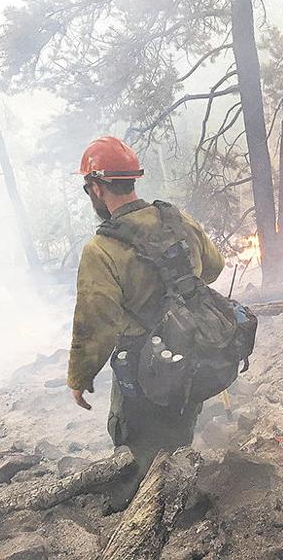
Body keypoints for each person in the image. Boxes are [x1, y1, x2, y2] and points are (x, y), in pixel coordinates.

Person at [67, 135, 224, 478]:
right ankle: (183, 481)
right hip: (191, 350)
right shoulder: (176, 219)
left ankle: (143, 502)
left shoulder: (101, 249)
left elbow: (96, 324)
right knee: (181, 424)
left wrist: (79, 378)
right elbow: (213, 267)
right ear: (132, 179)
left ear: (96, 188)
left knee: (133, 444)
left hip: (142, 367)